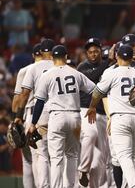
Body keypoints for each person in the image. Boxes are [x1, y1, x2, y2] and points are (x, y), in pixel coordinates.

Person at [86, 44, 135, 188]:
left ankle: (134, 185)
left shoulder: (112, 73)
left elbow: (97, 92)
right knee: (134, 159)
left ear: (117, 56)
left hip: (120, 118)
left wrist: (92, 106)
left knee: (124, 157)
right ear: (132, 58)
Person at [28, 45, 95, 188]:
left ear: (52, 58)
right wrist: (93, 106)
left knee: (57, 158)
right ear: (66, 57)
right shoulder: (75, 73)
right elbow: (95, 90)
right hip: (75, 118)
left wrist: (33, 123)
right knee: (72, 156)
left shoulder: (47, 75)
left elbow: (39, 102)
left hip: (57, 117)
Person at [15, 38, 56, 188]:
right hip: (58, 113)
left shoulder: (31, 68)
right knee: (59, 155)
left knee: (40, 155)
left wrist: (18, 116)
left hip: (36, 114)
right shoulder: (61, 67)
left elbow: (23, 95)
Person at [77, 38, 111, 187]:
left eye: (96, 51)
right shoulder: (82, 67)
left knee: (101, 159)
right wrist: (106, 62)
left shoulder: (108, 67)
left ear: (100, 51)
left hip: (103, 114)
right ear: (86, 53)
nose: (93, 54)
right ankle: (83, 170)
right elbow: (91, 78)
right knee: (90, 136)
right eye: (90, 52)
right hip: (85, 111)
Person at [12, 43, 42, 188]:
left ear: (33, 55)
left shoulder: (25, 70)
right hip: (52, 115)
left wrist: (16, 118)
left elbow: (16, 102)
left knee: (29, 161)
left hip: (28, 115)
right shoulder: (54, 68)